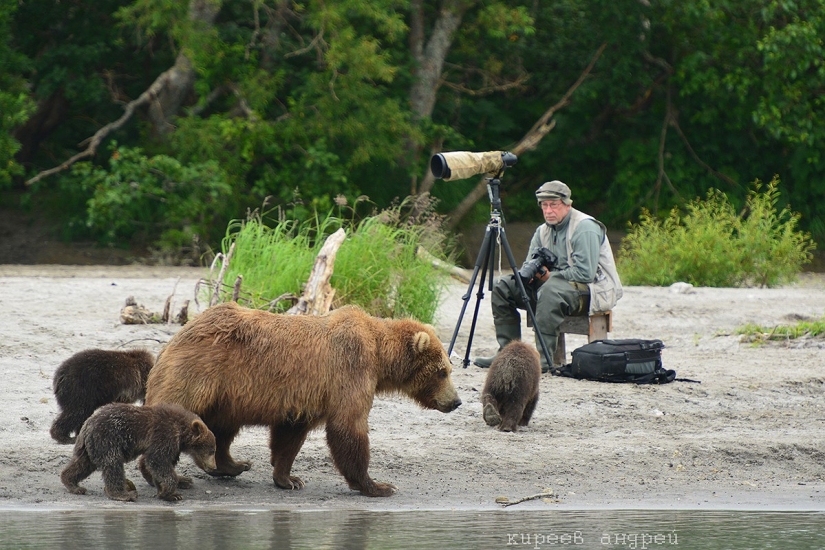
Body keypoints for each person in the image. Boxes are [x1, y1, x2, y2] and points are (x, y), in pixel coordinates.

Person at [473, 180, 623, 373]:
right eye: (544, 205)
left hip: (594, 291)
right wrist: (530, 275)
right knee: (503, 286)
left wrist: (549, 276)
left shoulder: (584, 227)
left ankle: (544, 359)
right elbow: (529, 266)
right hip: (556, 288)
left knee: (550, 290)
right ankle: (506, 354)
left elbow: (585, 273)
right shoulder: (542, 231)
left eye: (554, 205)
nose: (549, 210)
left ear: (567, 204)